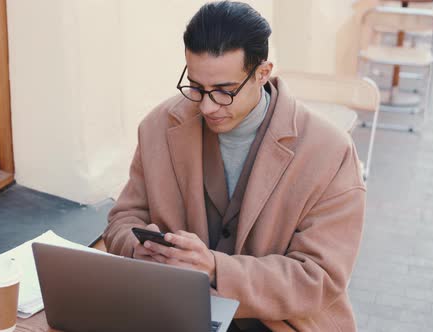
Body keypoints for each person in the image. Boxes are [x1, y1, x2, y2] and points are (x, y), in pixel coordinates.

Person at [102, 1, 365, 331]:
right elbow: (122, 221)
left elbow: (319, 278)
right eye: (197, 87)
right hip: (174, 314)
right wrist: (137, 248)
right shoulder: (157, 127)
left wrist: (215, 268)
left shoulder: (331, 152)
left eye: (224, 92)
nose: (208, 106)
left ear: (263, 73)